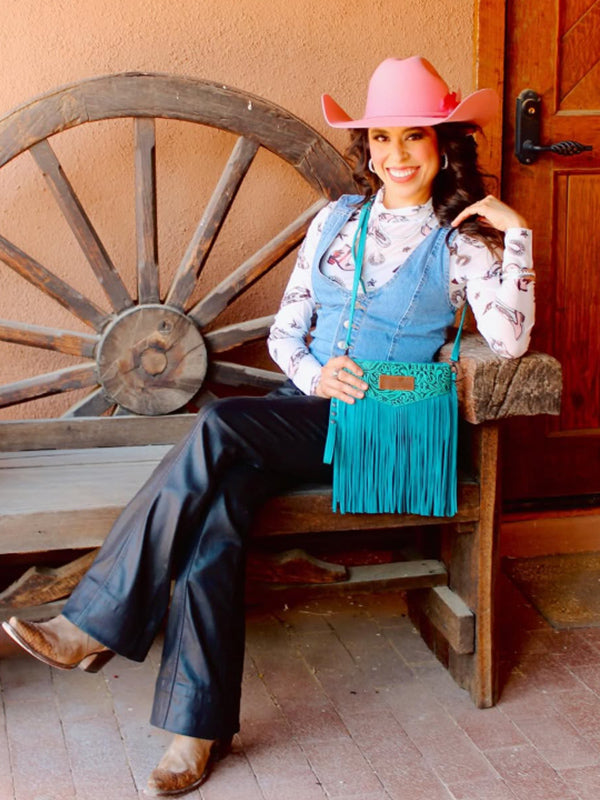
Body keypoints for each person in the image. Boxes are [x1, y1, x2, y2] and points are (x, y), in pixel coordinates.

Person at [1, 55, 534, 797]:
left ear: (444, 146)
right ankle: (196, 729)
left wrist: (517, 234)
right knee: (216, 515)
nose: (397, 155)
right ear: (368, 148)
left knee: (221, 422)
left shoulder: (461, 242)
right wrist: (315, 376)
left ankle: (95, 622)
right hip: (303, 409)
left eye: (414, 136)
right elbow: (287, 332)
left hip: (376, 431)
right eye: (382, 138)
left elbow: (509, 342)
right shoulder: (335, 221)